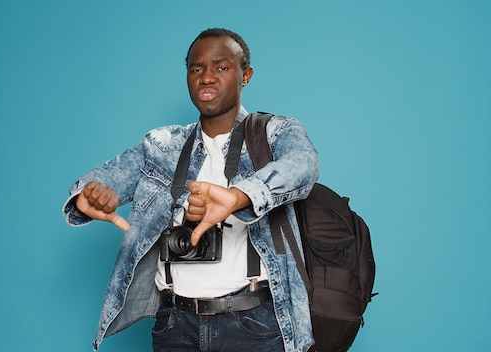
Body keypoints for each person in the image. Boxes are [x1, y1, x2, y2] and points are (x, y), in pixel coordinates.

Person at [63, 28, 320, 352]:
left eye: (222, 67)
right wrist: (89, 194)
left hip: (252, 321)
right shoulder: (162, 144)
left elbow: (304, 163)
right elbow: (109, 175)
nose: (207, 78)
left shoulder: (273, 132)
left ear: (246, 75)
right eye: (196, 69)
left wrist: (240, 196)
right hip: (175, 323)